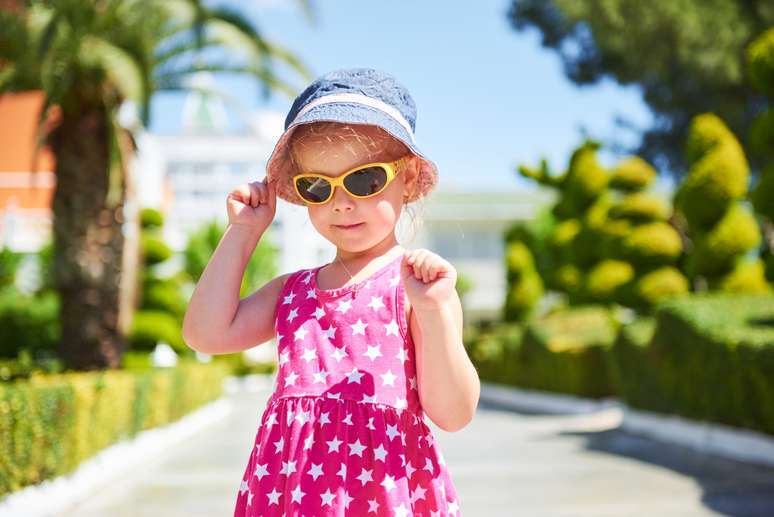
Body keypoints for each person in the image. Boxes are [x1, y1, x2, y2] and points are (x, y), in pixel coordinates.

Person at [182, 67, 480, 516]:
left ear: (408, 176)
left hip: (384, 495)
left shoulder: (418, 286)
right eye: (318, 186)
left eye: (364, 180)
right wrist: (243, 232)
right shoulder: (292, 292)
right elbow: (206, 334)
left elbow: (453, 413)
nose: (341, 202)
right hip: (294, 496)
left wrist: (434, 311)